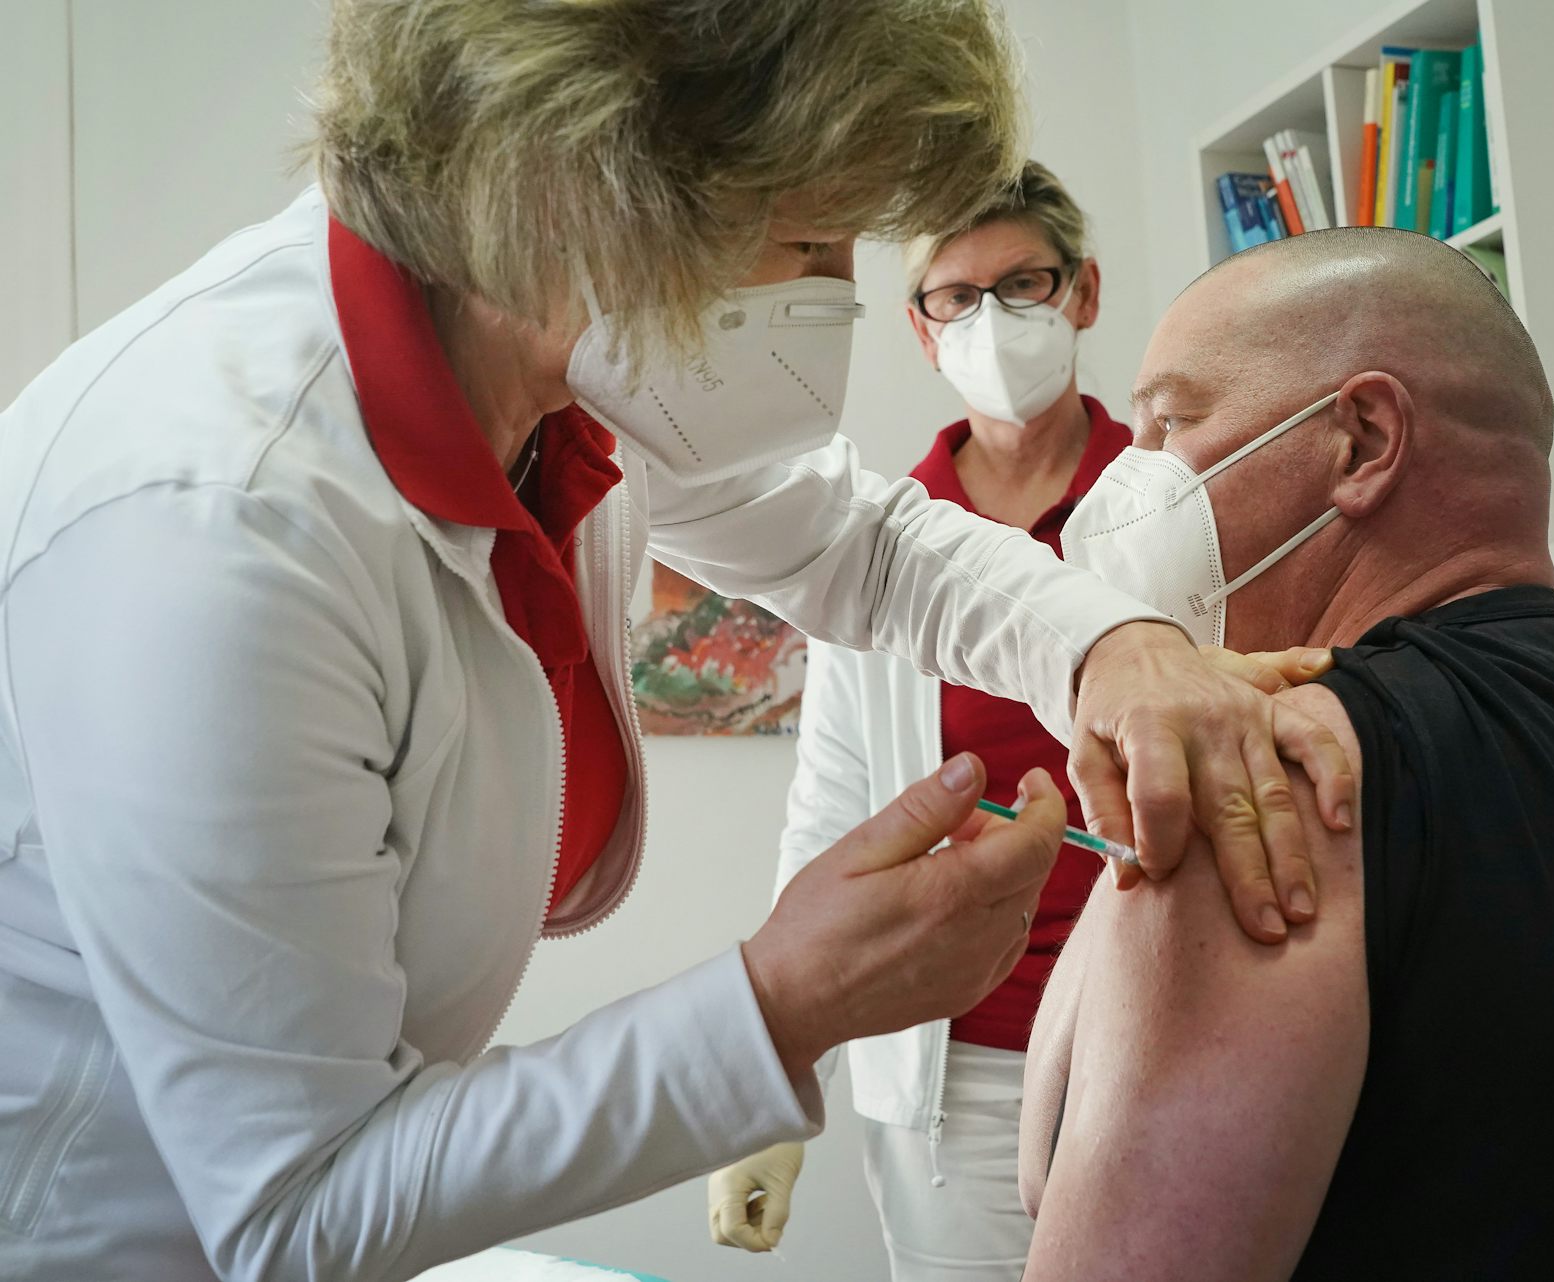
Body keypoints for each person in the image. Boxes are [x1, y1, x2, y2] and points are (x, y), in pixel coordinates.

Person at [0, 6, 1363, 1280]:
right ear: (583, 182)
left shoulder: (554, 354)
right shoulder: (221, 531)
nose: (832, 306)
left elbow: (864, 544)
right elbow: (299, 1205)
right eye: (812, 240)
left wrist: (1107, 646)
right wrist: (781, 1008)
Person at [1018, 228, 1554, 1280]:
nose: (1123, 491)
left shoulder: (1269, 779)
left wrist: (1155, 771)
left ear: (1360, 441)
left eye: (1171, 422)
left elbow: (1053, 1189)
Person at [705, 162, 1315, 1278]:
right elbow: (833, 819)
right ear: (920, 326)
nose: (991, 319)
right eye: (955, 294)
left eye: (1022, 284)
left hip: (1174, 1031)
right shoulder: (880, 544)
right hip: (961, 1070)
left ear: (1081, 292)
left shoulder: (1177, 508)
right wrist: (779, 1087)